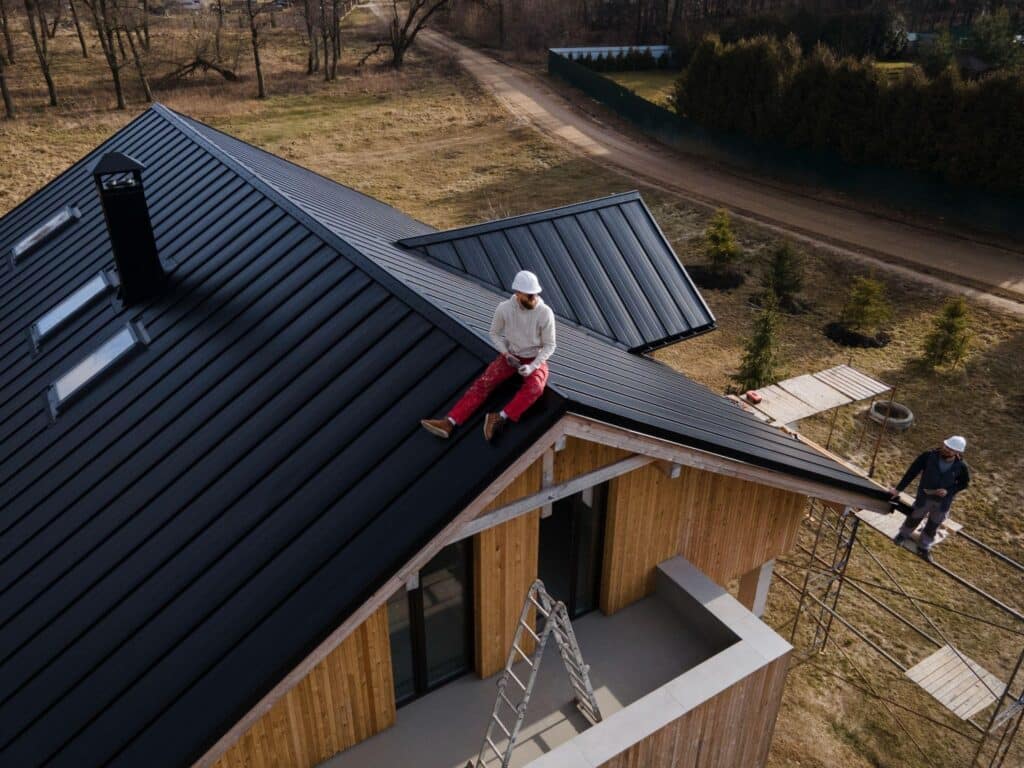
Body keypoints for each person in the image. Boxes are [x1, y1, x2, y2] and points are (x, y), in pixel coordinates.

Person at [421, 270, 556, 442]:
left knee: (535, 388)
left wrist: (533, 366)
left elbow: (550, 345)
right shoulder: (504, 309)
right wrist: (506, 354)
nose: (532, 298)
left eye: (534, 294)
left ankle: (499, 418)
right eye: (528, 295)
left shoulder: (544, 313)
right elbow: (494, 333)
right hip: (510, 355)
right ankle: (449, 422)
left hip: (534, 358)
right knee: (484, 383)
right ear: (517, 293)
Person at [889, 436, 970, 562]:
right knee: (914, 516)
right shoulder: (928, 456)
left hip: (943, 502)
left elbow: (964, 483)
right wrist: (898, 489)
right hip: (924, 497)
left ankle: (924, 546)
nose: (946, 449)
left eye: (950, 449)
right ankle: (903, 535)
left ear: (957, 452)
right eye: (946, 446)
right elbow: (912, 472)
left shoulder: (961, 467)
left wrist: (949, 491)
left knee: (933, 524)